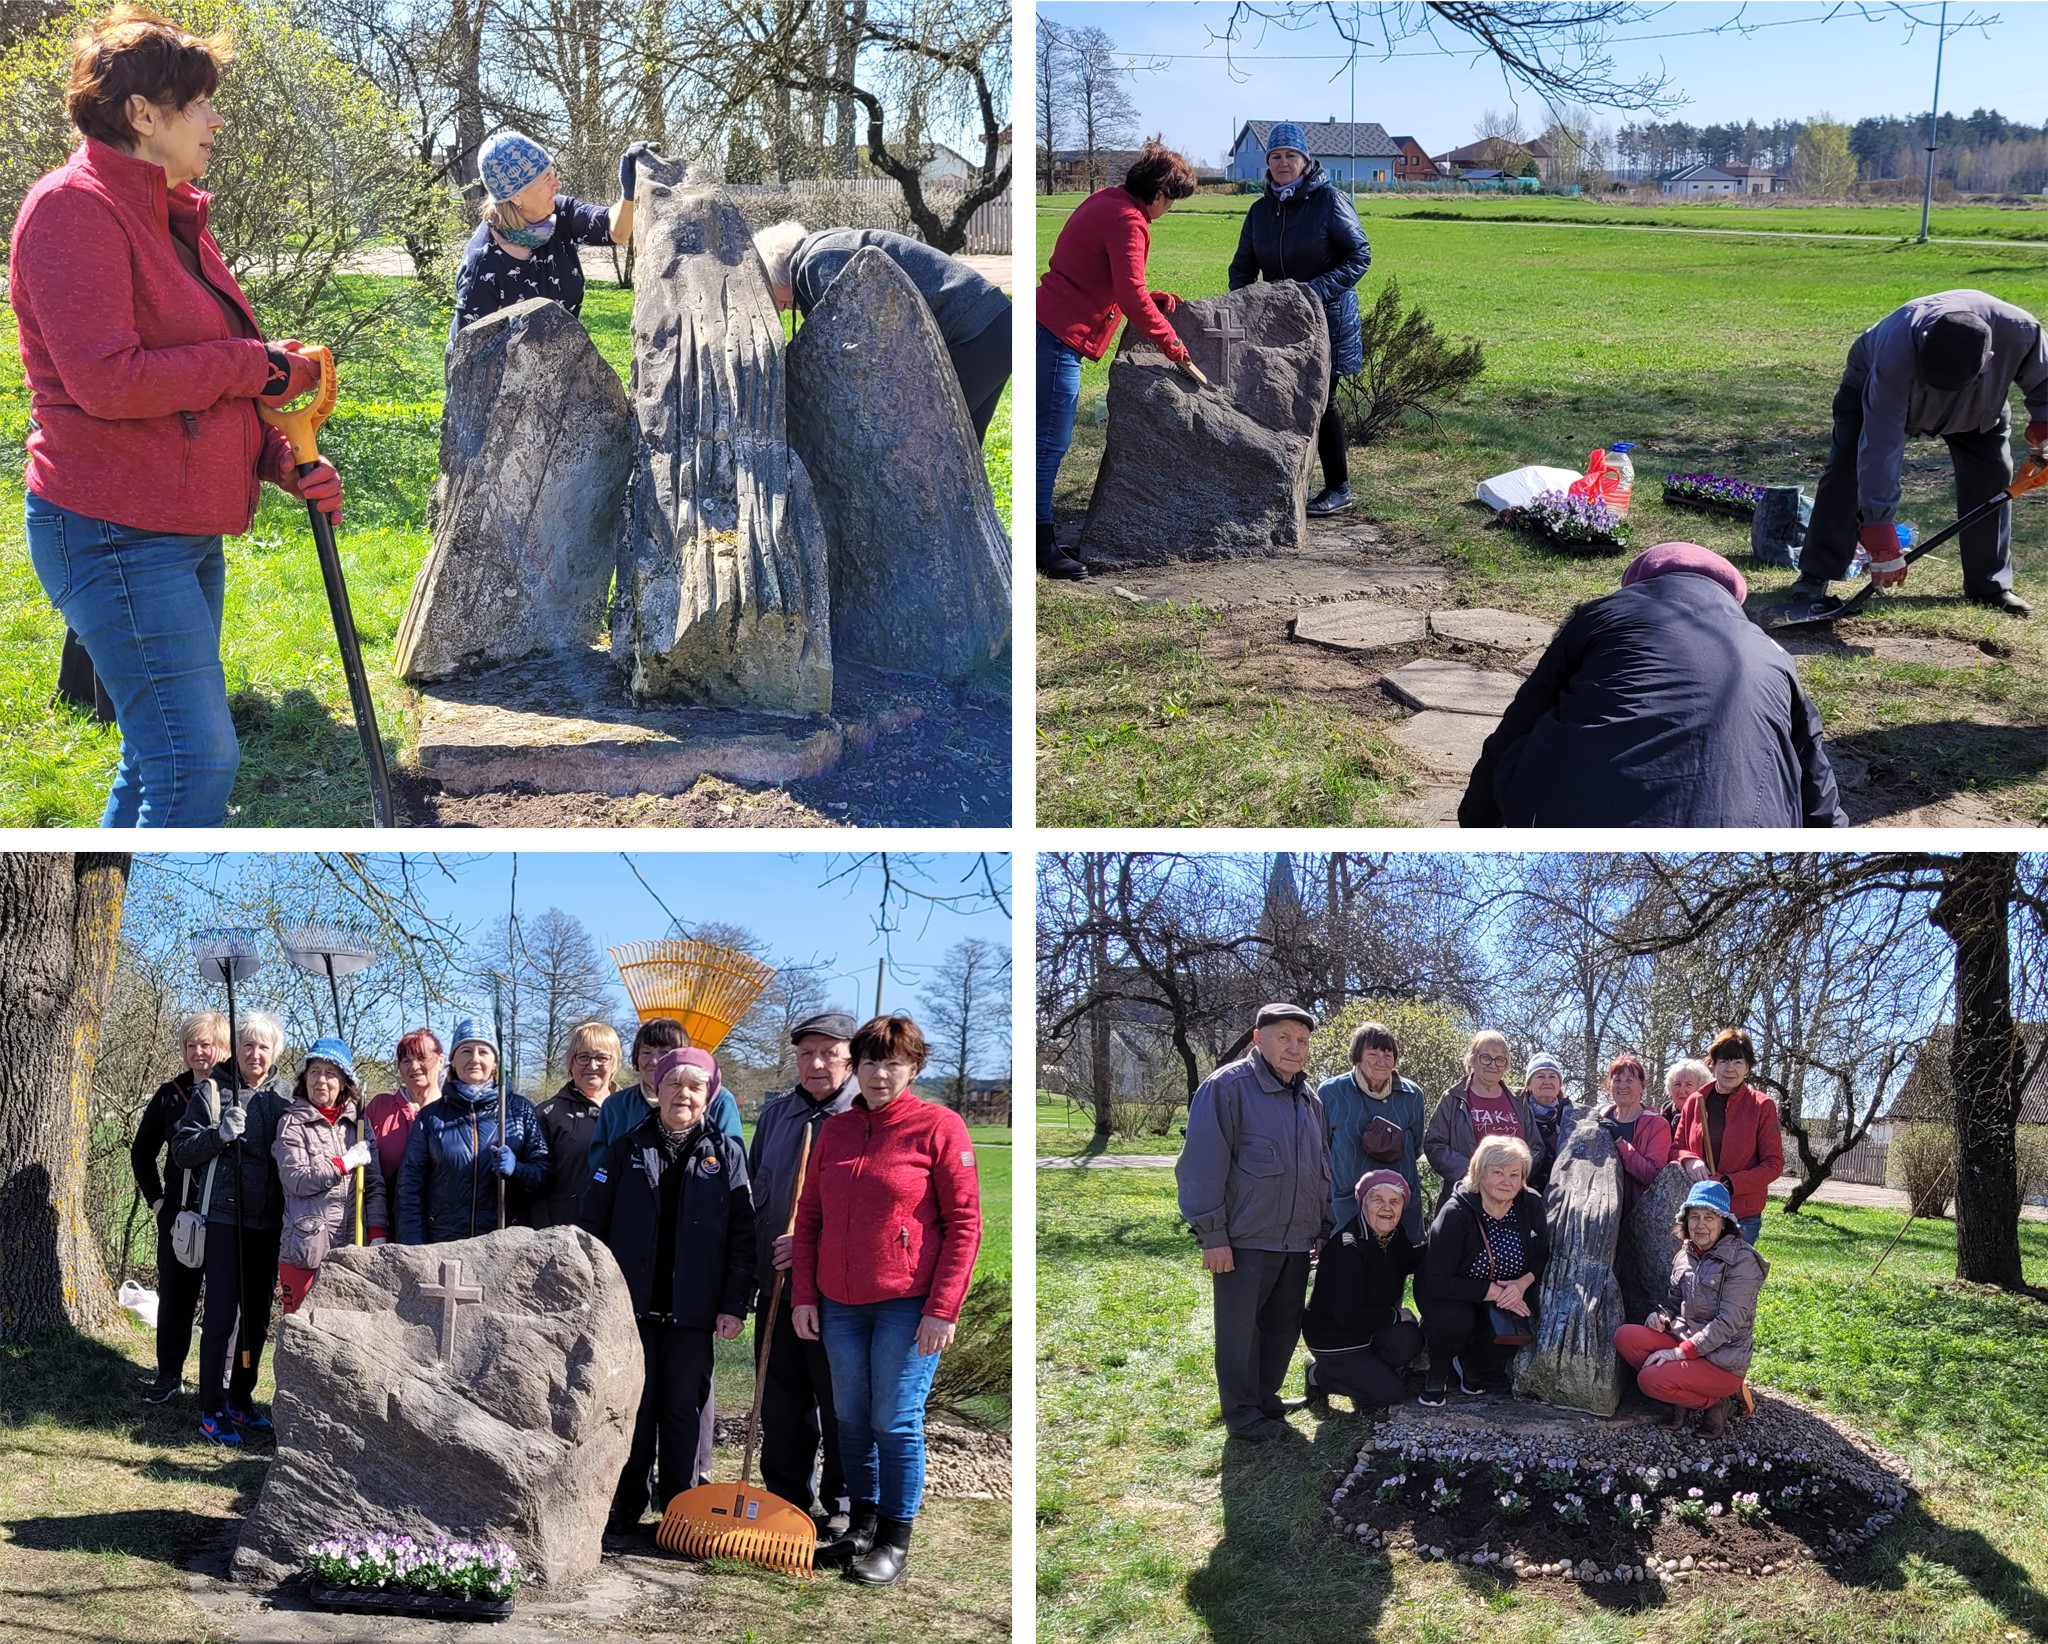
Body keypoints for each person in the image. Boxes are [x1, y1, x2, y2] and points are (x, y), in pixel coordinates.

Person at [9, 4, 344, 826]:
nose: (216, 120)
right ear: (142, 115)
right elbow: (109, 382)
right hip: (113, 526)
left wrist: (277, 458)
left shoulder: (171, 210)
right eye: (199, 104)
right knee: (195, 760)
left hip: (177, 523)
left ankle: (103, 912)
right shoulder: (73, 211)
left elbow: (204, 390)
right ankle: (120, 935)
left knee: (156, 753)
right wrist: (258, 364)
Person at [1461, 543, 1848, 830]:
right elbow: (1817, 779)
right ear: (1733, 600)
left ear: (1638, 584)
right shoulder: (1774, 654)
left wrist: (1476, 823)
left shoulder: (1603, 615)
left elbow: (1518, 724)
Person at [792, 1015, 982, 1587]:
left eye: (892, 1062)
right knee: (849, 1419)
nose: (879, 1073)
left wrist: (942, 1307)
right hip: (839, 1303)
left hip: (908, 1303)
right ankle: (863, 1524)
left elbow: (965, 1224)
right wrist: (806, 1294)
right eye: (870, 1062)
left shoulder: (938, 1127)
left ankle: (895, 1540)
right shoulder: (837, 1131)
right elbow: (810, 1218)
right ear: (857, 1067)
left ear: (914, 1067)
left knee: (893, 1421)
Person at [580, 1048, 754, 1534]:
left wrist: (733, 1304)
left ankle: (680, 1509)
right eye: (674, 1084)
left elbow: (743, 1238)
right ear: (656, 1089)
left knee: (683, 1410)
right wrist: (597, 1298)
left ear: (709, 1096)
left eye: (695, 1087)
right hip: (631, 1308)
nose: (684, 1094)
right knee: (633, 1407)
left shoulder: (727, 1154)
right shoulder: (626, 1148)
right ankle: (625, 1504)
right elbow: (591, 1226)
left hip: (694, 1311)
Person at [1790, 289, 2046, 617]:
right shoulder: (1895, 354)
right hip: (1873, 388)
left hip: (1978, 409)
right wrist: (1880, 532)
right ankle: (1817, 572)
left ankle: (1990, 585)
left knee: (1993, 475)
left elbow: (2046, 383)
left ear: (1989, 359)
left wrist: (2045, 429)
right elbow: (1880, 447)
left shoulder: (2022, 333)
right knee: (1848, 471)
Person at [1035, 138, 1203, 580]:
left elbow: (1103, 273)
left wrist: (1152, 296)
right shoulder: (1130, 219)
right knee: (1048, 444)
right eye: (1173, 201)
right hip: (1057, 337)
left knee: (1046, 441)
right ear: (1160, 194)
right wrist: (1174, 346)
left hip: (1048, 323)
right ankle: (1041, 545)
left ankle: (1039, 533)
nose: (1169, 210)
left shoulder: (1107, 200)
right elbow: (1127, 292)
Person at [1174, 1003, 1330, 1444]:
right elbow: (1201, 1166)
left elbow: (1321, 1167)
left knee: (1283, 1326)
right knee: (1241, 1330)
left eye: (1302, 1041)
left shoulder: (1310, 1099)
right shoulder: (1228, 1088)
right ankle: (1241, 1414)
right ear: (1258, 1039)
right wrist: (1212, 1236)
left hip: (1296, 1240)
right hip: (1244, 1239)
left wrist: (1320, 1226)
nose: (1295, 1049)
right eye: (1284, 1038)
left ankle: (1265, 1399)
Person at [747, 1009, 861, 1541]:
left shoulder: (862, 1116)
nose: (815, 1064)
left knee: (840, 1403)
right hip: (778, 1287)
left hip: (837, 1293)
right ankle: (787, 1500)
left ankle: (842, 1503)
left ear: (850, 1059)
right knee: (782, 1401)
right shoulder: (776, 1116)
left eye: (828, 1054)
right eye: (805, 1054)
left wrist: (811, 1242)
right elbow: (753, 1197)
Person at [1226, 121, 1371, 517]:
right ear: (1267, 165)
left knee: (1321, 402)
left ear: (1306, 161)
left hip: (1328, 320)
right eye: (1275, 156)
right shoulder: (1260, 212)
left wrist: (1313, 292)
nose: (1283, 162)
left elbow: (1359, 256)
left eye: (1291, 155)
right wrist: (1246, 307)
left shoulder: (1330, 201)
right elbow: (1243, 266)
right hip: (1280, 324)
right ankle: (1287, 481)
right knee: (1281, 399)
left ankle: (1339, 487)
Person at [755, 223, 1011, 443]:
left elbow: (859, 340)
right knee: (959, 448)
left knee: (925, 440)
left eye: (768, 293)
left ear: (775, 273)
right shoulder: (824, 253)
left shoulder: (819, 262)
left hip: (972, 332)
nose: (777, 307)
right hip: (992, 325)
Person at [168, 1009, 289, 1446]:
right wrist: (219, 1134)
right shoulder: (214, 1092)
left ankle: (242, 1398)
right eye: (247, 1045)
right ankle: (211, 1408)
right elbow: (182, 1151)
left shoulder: (286, 1098)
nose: (255, 1054)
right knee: (220, 1317)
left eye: (263, 1047)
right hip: (223, 1218)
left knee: (257, 1321)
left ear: (275, 1052)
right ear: (235, 1050)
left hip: (268, 1223)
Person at [449, 131, 645, 347]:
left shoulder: (560, 213)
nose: (557, 184)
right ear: (516, 195)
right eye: (547, 178)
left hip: (562, 366)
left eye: (553, 174)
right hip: (505, 377)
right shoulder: (483, 264)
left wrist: (629, 194)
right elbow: (467, 356)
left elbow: (616, 231)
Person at [1613, 1179, 1768, 1436]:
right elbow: (1673, 1302)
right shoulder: (1685, 1254)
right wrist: (1662, 1316)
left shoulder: (1743, 1262)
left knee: (1650, 1380)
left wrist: (1679, 1354)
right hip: (1685, 1341)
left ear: (1723, 1223)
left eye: (1709, 1217)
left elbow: (1729, 1323)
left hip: (1722, 1361)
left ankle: (1715, 1404)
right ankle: (1682, 1396)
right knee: (1626, 1337)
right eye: (1694, 1217)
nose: (1701, 1225)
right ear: (1685, 1222)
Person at [129, 1009, 228, 1403]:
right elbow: (142, 1152)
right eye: (191, 1045)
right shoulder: (171, 1094)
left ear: (222, 1048)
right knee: (175, 1296)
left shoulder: (236, 1094)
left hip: (224, 1213)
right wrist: (157, 1203)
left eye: (205, 1044)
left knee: (224, 1301)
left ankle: (221, 1382)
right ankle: (169, 1373)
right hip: (179, 1214)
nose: (198, 1052)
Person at [1416, 1134, 1548, 1406]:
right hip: (1451, 1292)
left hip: (1509, 1290)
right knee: (1455, 1320)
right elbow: (1438, 1280)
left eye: (1515, 1174)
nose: (1507, 1181)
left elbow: (1541, 1254)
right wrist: (1494, 1291)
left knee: (1520, 1326)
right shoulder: (1456, 1213)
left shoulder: (1531, 1204)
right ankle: (1437, 1373)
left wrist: (1522, 1284)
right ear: (1479, 1172)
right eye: (1498, 1172)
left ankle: (1469, 1362)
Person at [394, 1019, 548, 1243]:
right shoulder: (430, 1117)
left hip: (503, 1245)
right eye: (465, 1051)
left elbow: (544, 1173)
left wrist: (518, 1171)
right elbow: (409, 1188)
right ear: (453, 1062)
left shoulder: (519, 1109)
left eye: (483, 1051)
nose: (474, 1059)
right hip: (443, 1244)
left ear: (495, 1063)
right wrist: (413, 1248)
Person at [271, 1037, 387, 1313]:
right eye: (314, 1071)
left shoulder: (358, 1124)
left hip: (352, 1250)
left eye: (330, 1073)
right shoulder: (292, 1122)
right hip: (305, 1252)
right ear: (304, 1078)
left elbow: (373, 1183)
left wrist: (378, 1231)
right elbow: (296, 1179)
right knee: (301, 1336)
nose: (321, 1080)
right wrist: (343, 1163)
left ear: (344, 1081)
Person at [1301, 1171, 1423, 1410]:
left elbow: (1409, 1260)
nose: (1386, 1208)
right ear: (1362, 1203)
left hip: (1369, 1330)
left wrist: (1446, 1242)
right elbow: (1349, 1316)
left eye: (1394, 1201)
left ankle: (1366, 1374)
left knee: (1411, 1338)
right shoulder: (1347, 1247)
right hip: (1336, 1339)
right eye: (1377, 1199)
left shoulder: (1394, 1236)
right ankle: (1317, 1376)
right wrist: (1396, 1315)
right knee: (1391, 1395)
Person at [589, 1018, 743, 1183]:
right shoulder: (615, 1106)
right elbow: (598, 1172)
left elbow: (734, 1170)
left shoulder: (719, 1101)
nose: (655, 1061)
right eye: (646, 1052)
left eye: (665, 1052)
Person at [1317, 1020, 1427, 1243]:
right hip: (1348, 1203)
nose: (1381, 1061)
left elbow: (1415, 1146)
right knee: (1348, 1268)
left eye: (1388, 1055)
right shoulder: (1331, 1092)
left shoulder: (1411, 1094)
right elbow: (1324, 1148)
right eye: (1373, 1054)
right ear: (1357, 1056)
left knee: (1396, 1271)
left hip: (1398, 1204)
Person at [1671, 1029, 1784, 1245]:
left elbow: (1774, 1164)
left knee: (1732, 1276)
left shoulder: (1762, 1106)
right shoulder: (1696, 1101)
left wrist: (1729, 1183)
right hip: (1700, 1213)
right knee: (1698, 1275)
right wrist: (1689, 1159)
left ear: (1748, 1067)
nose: (1730, 1069)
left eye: (1738, 1062)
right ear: (1712, 1064)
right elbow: (1676, 1147)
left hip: (1740, 1213)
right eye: (1724, 1061)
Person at [1422, 1031, 1545, 1214]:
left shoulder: (1519, 1101)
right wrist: (1477, 1174)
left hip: (1512, 1199)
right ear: (1472, 1060)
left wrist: (1515, 1176)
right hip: (1468, 1198)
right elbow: (1434, 1145)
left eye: (1500, 1059)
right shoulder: (1453, 1098)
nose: (1492, 1065)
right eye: (1486, 1057)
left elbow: (1537, 1148)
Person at [527, 1021, 620, 1229]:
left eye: (602, 1057)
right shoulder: (548, 1114)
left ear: (614, 1063)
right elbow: (533, 1183)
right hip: (564, 1231)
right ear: (571, 1062)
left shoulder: (630, 1112)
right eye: (583, 1057)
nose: (592, 1065)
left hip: (618, 1231)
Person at [1592, 1053, 1672, 1216]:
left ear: (1642, 1085)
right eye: (1617, 1080)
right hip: (1598, 1210)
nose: (1622, 1086)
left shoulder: (1657, 1124)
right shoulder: (1598, 1116)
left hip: (1638, 1215)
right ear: (1609, 1085)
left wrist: (1621, 1144)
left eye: (1629, 1080)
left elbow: (1653, 1176)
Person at [364, 1027, 443, 1183]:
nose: (414, 1066)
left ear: (440, 1061)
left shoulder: (453, 1111)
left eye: (422, 1058)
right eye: (406, 1061)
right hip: (387, 1205)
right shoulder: (380, 1108)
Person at [1521, 1052, 1575, 1184]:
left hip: (1563, 1191)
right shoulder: (1518, 1113)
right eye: (1540, 1076)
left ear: (1559, 1084)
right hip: (1524, 1191)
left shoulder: (1572, 1115)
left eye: (1552, 1076)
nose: (1547, 1082)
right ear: (1528, 1084)